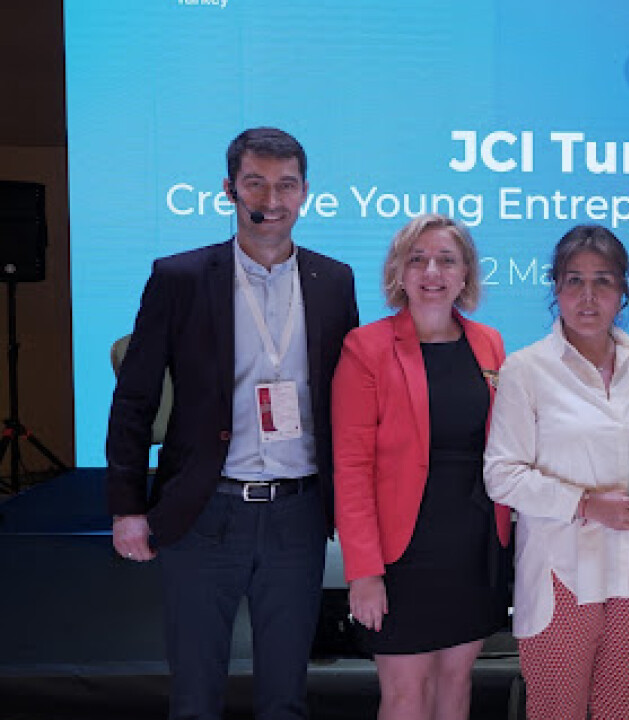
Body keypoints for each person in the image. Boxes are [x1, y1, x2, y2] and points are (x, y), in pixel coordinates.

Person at [106, 127, 360, 720]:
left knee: (285, 699)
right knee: (195, 698)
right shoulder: (180, 278)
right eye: (255, 183)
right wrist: (126, 507)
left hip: (298, 514)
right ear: (229, 189)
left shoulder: (334, 281)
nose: (271, 199)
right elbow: (134, 399)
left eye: (286, 185)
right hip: (205, 513)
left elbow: (346, 403)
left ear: (305, 193)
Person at [484, 224, 629, 720]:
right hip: (564, 568)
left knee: (622, 709)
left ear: (623, 292)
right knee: (557, 710)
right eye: (574, 280)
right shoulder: (526, 368)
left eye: (603, 281)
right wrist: (585, 504)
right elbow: (502, 474)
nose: (588, 296)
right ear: (555, 289)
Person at [331, 214, 509, 720]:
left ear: (466, 273)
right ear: (399, 271)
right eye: (418, 259)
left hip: (473, 548)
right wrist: (363, 572)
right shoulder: (365, 348)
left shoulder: (489, 343)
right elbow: (351, 468)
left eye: (447, 260)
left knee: (456, 685)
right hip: (400, 556)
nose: (433, 271)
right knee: (407, 695)